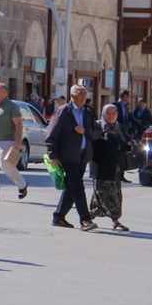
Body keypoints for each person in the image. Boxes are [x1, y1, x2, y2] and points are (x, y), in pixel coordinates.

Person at [46, 83, 99, 231]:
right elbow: (51, 134)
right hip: (67, 155)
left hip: (83, 154)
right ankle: (85, 220)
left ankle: (59, 216)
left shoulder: (88, 112)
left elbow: (95, 132)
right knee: (77, 186)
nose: (84, 97)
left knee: (71, 187)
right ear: (73, 96)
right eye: (80, 94)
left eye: (85, 94)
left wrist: (84, 131)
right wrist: (52, 154)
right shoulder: (64, 111)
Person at [91, 103, 131, 232]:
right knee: (103, 194)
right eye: (108, 113)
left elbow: (124, 144)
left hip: (115, 167)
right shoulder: (97, 126)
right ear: (103, 114)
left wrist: (128, 146)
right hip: (101, 166)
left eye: (114, 113)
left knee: (115, 195)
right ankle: (113, 219)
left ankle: (90, 216)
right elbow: (95, 145)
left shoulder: (119, 127)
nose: (111, 116)